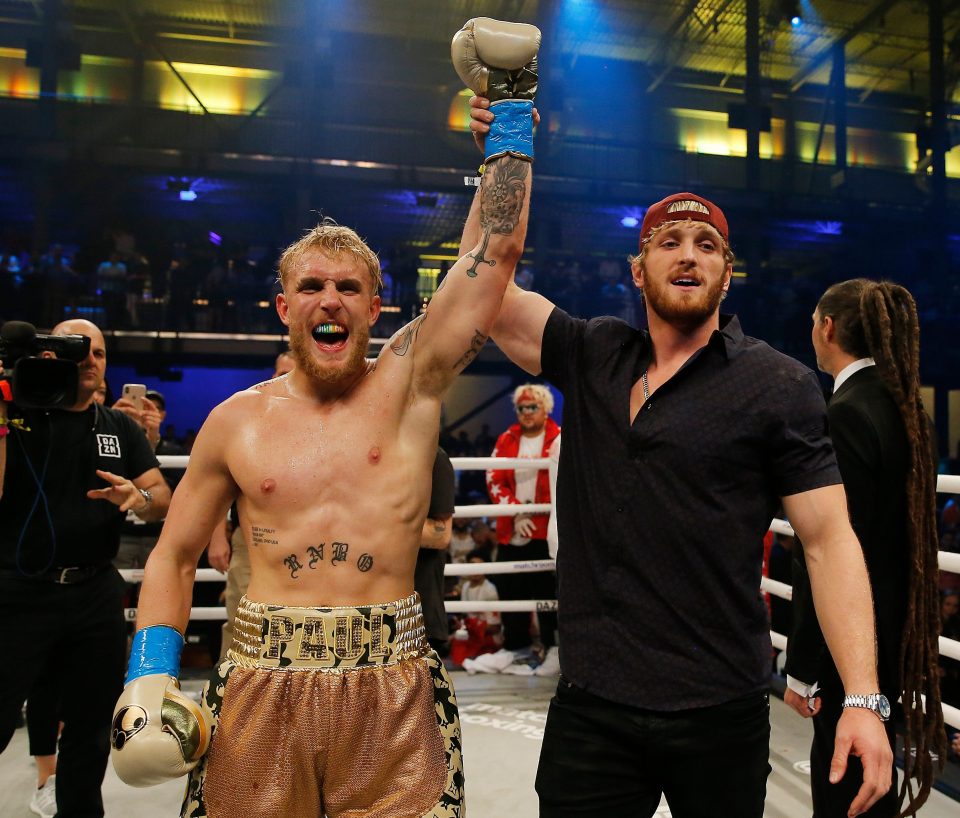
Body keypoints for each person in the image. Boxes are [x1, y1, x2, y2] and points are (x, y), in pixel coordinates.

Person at [109, 18, 538, 818]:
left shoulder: (410, 387)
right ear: (283, 309)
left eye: (348, 288)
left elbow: (492, 262)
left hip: (395, 683)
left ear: (378, 307)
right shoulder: (234, 424)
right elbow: (170, 558)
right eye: (311, 288)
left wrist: (510, 116)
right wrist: (149, 674)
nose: (330, 301)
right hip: (258, 688)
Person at [470, 103, 893, 817]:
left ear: (728, 274)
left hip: (718, 708)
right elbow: (481, 290)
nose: (688, 253)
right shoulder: (594, 351)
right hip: (592, 706)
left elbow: (828, 542)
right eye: (669, 241)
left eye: (707, 244)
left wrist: (861, 696)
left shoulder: (779, 384)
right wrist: (503, 162)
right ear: (640, 270)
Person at [785, 279, 945, 816]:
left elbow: (830, 549)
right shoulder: (909, 411)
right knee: (872, 773)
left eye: (813, 321)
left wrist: (802, 663)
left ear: (828, 328)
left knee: (845, 785)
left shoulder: (847, 412)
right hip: (894, 628)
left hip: (850, 639)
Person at [0, 318, 171, 818]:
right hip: (17, 590)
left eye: (97, 352)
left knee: (94, 729)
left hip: (93, 591)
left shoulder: (117, 427)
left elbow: (160, 497)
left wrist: (136, 497)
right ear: (49, 356)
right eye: (76, 350)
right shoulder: (18, 416)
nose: (90, 360)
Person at [209, 349, 296, 662]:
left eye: (291, 371)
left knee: (296, 629)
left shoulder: (325, 424)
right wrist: (218, 536)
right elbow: (221, 485)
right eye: (279, 371)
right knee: (242, 625)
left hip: (305, 543)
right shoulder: (247, 421)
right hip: (252, 540)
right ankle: (226, 702)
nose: (282, 378)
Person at [486, 383, 560, 655]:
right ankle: (515, 648)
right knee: (510, 585)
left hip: (545, 529)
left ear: (546, 409)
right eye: (521, 408)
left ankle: (552, 648)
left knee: (546, 590)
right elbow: (493, 476)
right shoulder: (507, 438)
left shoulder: (558, 438)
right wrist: (515, 510)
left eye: (533, 407)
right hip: (511, 526)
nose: (527, 412)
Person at [415, 446, 456, 655]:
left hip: (421, 616)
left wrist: (379, 523)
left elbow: (441, 536)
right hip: (375, 610)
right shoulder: (371, 457)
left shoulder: (433, 458)